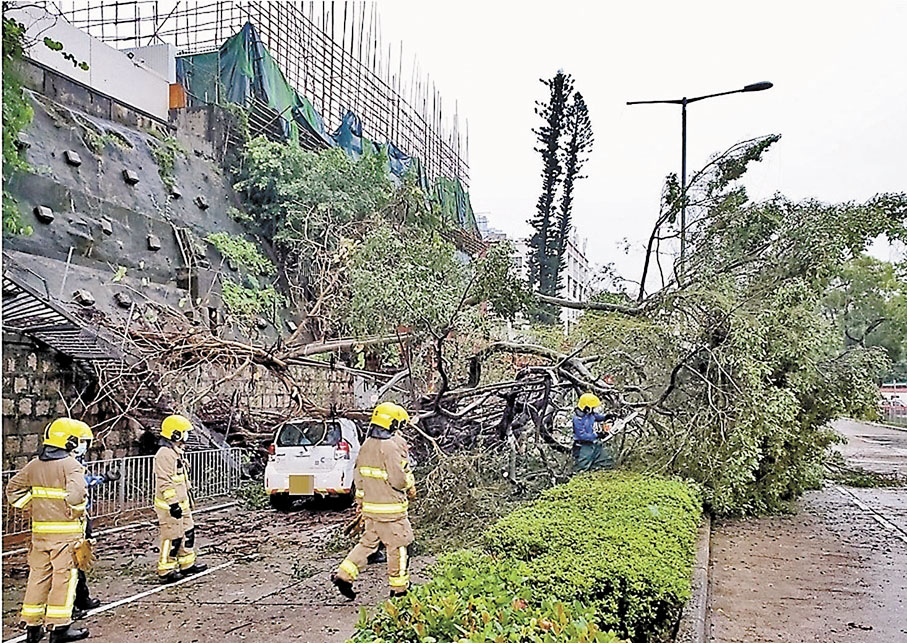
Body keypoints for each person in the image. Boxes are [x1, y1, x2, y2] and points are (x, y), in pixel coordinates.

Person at [6, 418, 91, 642]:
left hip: (40, 535)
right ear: (70, 442)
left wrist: (33, 507)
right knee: (64, 579)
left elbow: (13, 490)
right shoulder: (71, 465)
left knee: (38, 578)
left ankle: (33, 628)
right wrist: (75, 512)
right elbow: (77, 496)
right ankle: (59, 628)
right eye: (81, 441)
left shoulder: (34, 464)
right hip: (66, 536)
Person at [332, 402, 417, 600]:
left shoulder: (366, 445)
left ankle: (344, 576)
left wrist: (360, 502)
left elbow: (358, 477)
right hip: (392, 513)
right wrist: (410, 483)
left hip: (371, 511)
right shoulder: (391, 447)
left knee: (367, 544)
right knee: (399, 546)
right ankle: (399, 589)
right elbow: (398, 480)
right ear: (392, 423)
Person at [71, 424, 121, 619]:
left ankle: (82, 597)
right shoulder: (64, 463)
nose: (84, 445)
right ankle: (69, 605)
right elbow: (79, 484)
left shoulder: (75, 460)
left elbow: (84, 481)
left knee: (82, 557)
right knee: (69, 563)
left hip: (82, 515)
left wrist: (103, 478)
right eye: (82, 441)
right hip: (68, 520)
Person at [153, 414, 207, 583]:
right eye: (184, 432)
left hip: (182, 504)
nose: (187, 436)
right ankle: (165, 570)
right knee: (172, 537)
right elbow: (164, 481)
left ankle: (186, 564)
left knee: (187, 533)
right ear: (175, 434)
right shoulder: (164, 454)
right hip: (170, 507)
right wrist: (173, 504)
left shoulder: (176, 452)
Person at [571, 393, 616, 472]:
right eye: (592, 407)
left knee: (606, 462)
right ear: (586, 407)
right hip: (583, 447)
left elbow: (596, 416)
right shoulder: (577, 419)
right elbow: (582, 435)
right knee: (582, 469)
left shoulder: (589, 414)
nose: (594, 409)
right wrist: (597, 435)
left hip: (593, 444)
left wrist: (606, 417)